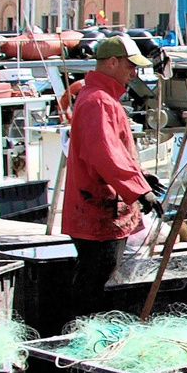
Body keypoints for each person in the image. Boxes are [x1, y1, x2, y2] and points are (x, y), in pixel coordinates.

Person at [62, 34, 160, 317]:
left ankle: (87, 332)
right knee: (96, 284)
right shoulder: (99, 102)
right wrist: (139, 189)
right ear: (113, 62)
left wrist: (141, 177)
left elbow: (114, 151)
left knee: (96, 279)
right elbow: (104, 154)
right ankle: (85, 336)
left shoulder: (100, 98)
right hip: (97, 211)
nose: (134, 74)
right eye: (131, 67)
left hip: (100, 208)